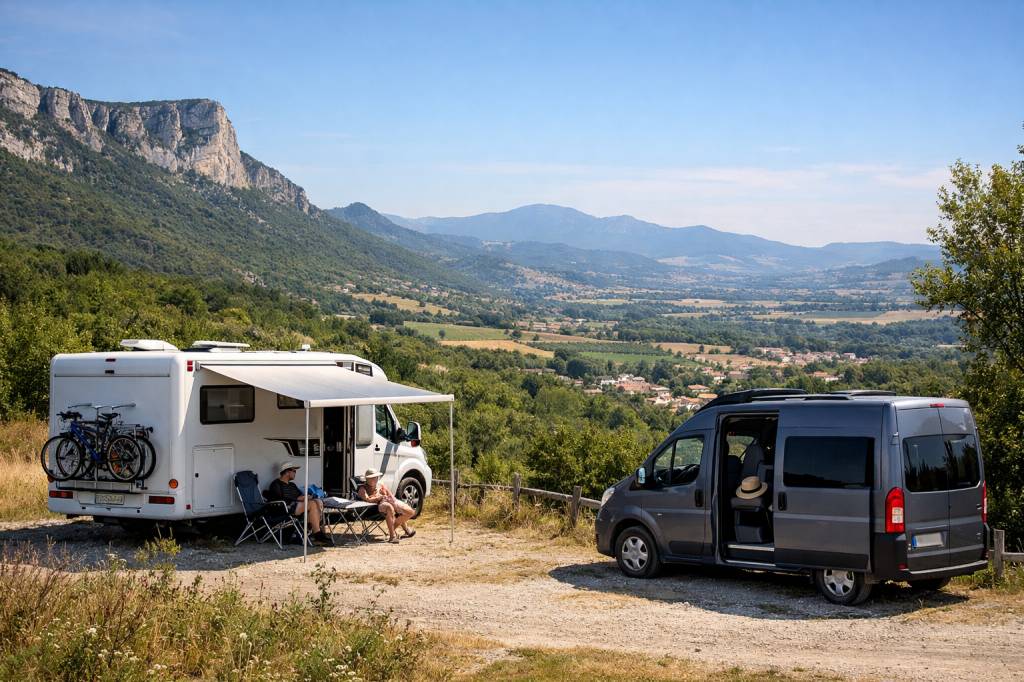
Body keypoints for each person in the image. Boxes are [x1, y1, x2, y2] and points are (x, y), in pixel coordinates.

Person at [267, 461, 329, 545]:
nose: (295, 473)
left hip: (296, 506)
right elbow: (281, 499)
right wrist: (300, 498)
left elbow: (299, 496)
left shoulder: (292, 485)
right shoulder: (276, 484)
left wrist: (307, 497)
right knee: (312, 504)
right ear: (287, 472)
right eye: (294, 471)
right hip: (285, 509)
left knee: (317, 501)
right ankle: (317, 535)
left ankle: (318, 532)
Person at [357, 468, 415, 544]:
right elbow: (368, 500)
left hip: (388, 502)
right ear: (367, 479)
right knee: (389, 507)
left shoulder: (381, 485)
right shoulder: (363, 488)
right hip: (374, 508)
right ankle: (392, 536)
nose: (374, 479)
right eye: (371, 478)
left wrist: (386, 495)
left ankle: (397, 528)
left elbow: (391, 496)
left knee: (410, 512)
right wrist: (379, 497)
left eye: (375, 477)